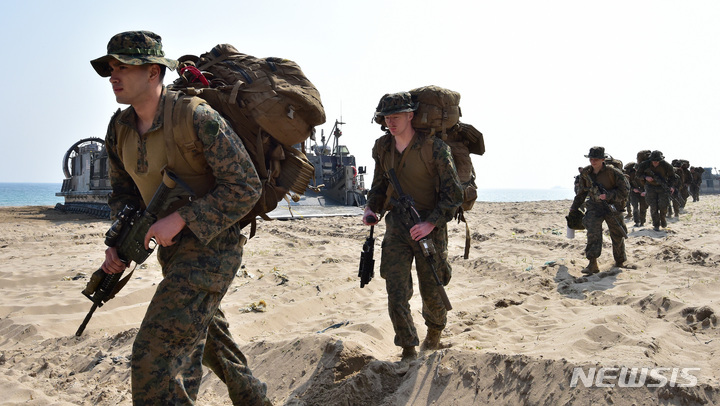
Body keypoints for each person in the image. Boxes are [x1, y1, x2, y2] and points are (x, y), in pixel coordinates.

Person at [91, 31, 271, 405]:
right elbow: (124, 196)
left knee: (154, 358)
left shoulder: (195, 118)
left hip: (213, 247)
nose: (114, 75)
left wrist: (183, 218)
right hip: (171, 253)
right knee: (208, 344)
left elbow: (245, 186)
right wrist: (118, 243)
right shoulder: (119, 129)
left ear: (154, 72)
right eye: (111, 67)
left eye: (125, 66)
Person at [363, 92, 463, 363]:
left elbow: (454, 194)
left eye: (396, 116)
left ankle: (434, 332)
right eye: (386, 118)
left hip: (429, 227)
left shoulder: (435, 148)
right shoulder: (382, 147)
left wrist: (431, 223)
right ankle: (407, 346)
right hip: (396, 226)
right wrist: (372, 209)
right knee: (395, 290)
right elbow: (379, 186)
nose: (390, 122)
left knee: (432, 289)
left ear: (410, 115)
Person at [569, 146, 630, 274]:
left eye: (596, 159)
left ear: (603, 159)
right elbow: (581, 193)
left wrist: (608, 195)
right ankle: (592, 263)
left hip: (612, 206)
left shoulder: (614, 173)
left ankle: (620, 261)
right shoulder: (586, 173)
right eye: (591, 158)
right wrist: (574, 208)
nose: (593, 161)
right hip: (594, 206)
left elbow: (624, 191)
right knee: (592, 233)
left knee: (617, 233)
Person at [635, 150, 678, 232]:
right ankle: (656, 225)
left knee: (663, 206)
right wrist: (645, 177)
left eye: (657, 161)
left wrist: (672, 186)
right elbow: (638, 175)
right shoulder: (645, 164)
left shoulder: (666, 165)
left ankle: (663, 218)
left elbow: (673, 177)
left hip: (663, 187)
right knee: (653, 206)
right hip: (650, 187)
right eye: (653, 161)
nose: (655, 163)